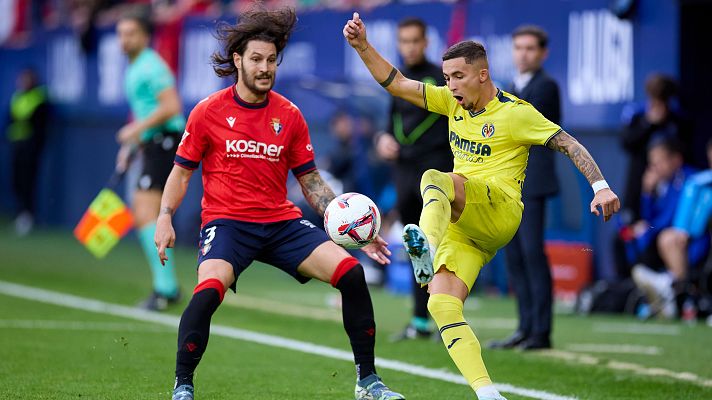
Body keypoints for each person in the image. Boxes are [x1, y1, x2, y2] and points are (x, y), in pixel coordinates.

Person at [343, 12, 620, 400]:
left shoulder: (515, 113)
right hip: (467, 229)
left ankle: (425, 241)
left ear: (483, 75)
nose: (450, 85)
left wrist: (601, 187)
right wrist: (362, 47)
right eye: (447, 77)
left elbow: (568, 143)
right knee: (441, 304)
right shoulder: (453, 103)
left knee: (434, 178)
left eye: (458, 76)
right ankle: (488, 392)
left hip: (500, 208)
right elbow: (398, 83)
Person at [154, 8, 404, 400]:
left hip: (279, 222)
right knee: (209, 289)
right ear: (238, 60)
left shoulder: (289, 115)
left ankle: (368, 381)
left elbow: (312, 182)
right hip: (228, 223)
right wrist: (165, 217)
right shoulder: (208, 111)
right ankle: (182, 385)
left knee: (352, 274)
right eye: (256, 59)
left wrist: (357, 232)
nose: (265, 67)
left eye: (271, 60)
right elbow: (181, 172)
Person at [375, 17, 452, 341]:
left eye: (414, 41)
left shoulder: (442, 79)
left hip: (435, 171)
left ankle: (447, 321)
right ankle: (420, 322)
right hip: (404, 175)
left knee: (442, 249)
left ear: (425, 42)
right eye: (403, 41)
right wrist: (383, 139)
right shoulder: (399, 82)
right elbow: (389, 123)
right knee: (416, 250)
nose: (409, 47)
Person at [488, 25, 560, 351]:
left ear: (542, 53)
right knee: (514, 255)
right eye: (518, 47)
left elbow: (520, 123)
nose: (523, 54)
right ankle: (524, 327)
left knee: (532, 253)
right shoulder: (513, 87)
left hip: (533, 183)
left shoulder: (546, 86)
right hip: (510, 184)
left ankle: (541, 331)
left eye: (530, 48)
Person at [115, 11, 186, 311]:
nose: (124, 39)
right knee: (144, 211)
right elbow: (148, 111)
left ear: (145, 37)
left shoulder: (151, 66)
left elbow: (171, 106)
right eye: (121, 33)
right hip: (153, 143)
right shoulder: (135, 67)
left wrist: (135, 130)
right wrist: (133, 145)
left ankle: (165, 288)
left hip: (166, 141)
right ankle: (165, 287)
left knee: (146, 212)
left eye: (130, 33)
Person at [628, 138, 704, 317]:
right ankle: (668, 289)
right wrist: (647, 193)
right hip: (672, 237)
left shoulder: (690, 179)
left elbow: (669, 219)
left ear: (675, 160)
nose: (655, 168)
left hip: (695, 238)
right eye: (652, 163)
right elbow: (650, 218)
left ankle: (673, 292)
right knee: (635, 238)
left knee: (664, 238)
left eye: (659, 162)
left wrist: (647, 229)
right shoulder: (664, 185)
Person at [621, 74, 691, 222]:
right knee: (627, 230)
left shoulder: (678, 120)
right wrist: (648, 123)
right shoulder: (638, 116)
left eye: (662, 101)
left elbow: (684, 151)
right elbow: (626, 143)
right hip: (638, 182)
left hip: (670, 187)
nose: (657, 107)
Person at [6, 68, 49, 236]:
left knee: (28, 182)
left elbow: (39, 124)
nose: (23, 82)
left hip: (31, 147)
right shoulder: (17, 97)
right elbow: (9, 119)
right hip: (16, 145)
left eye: (27, 78)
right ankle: (19, 214)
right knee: (16, 181)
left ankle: (28, 217)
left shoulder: (39, 98)